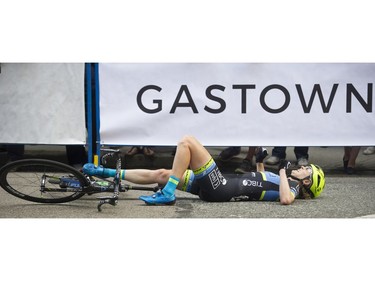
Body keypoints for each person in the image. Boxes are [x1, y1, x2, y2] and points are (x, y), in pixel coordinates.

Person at [83, 135, 326, 206]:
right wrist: (260, 162)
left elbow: (285, 198)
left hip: (222, 187)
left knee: (187, 142)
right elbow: (262, 182)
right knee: (163, 173)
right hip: (219, 187)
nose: (302, 167)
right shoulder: (285, 180)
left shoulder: (292, 185)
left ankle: (167, 193)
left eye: (307, 170)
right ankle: (103, 173)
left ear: (307, 183)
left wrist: (284, 171)